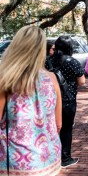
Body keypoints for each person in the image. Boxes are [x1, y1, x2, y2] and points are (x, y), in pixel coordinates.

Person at [0, 26, 62, 176]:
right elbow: (58, 124)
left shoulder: (6, 80)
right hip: (49, 159)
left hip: (15, 161)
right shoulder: (52, 79)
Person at [47, 35, 85, 168]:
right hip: (68, 100)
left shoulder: (48, 61)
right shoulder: (73, 62)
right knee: (66, 129)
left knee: (51, 128)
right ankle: (65, 157)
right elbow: (81, 81)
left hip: (50, 100)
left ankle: (50, 155)